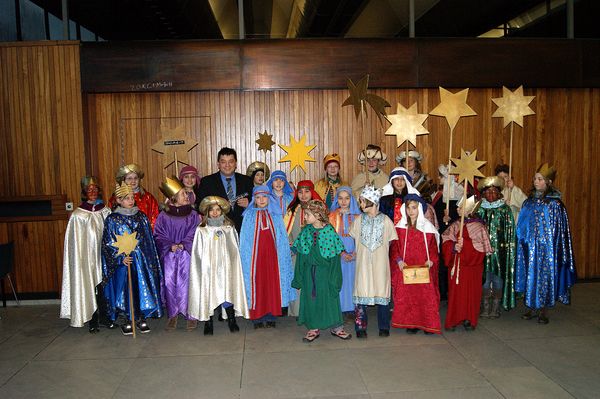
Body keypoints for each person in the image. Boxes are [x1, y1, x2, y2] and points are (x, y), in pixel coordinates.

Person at [515, 163, 576, 324]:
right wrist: (523, 241)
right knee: (531, 275)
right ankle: (531, 306)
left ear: (548, 182)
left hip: (548, 250)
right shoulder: (528, 202)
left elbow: (559, 231)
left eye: (540, 179)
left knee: (544, 277)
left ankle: (543, 309)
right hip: (530, 248)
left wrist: (552, 246)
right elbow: (522, 226)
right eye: (535, 178)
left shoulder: (555, 205)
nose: (536, 181)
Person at [102, 182, 163, 335]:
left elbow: (148, 239)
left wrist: (147, 258)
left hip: (140, 261)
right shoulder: (112, 219)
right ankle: (127, 318)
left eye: (132, 197)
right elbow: (108, 242)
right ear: (119, 200)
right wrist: (119, 258)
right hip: (123, 262)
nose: (131, 200)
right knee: (125, 288)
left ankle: (140, 317)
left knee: (139, 287)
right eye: (126, 198)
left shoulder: (141, 216)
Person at [292, 200, 352, 342]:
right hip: (309, 274)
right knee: (311, 300)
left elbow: (335, 258)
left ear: (318, 215)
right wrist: (299, 276)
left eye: (307, 214)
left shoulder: (329, 231)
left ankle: (336, 327)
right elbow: (301, 255)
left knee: (330, 299)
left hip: (325, 274)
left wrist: (335, 278)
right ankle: (313, 327)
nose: (304, 217)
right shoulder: (305, 231)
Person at [188, 196, 248, 334]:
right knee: (209, 292)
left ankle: (231, 319)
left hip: (226, 268)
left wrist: (232, 264)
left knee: (227, 290)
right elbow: (197, 252)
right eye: (211, 210)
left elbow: (234, 250)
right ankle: (208, 322)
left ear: (222, 212)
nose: (215, 213)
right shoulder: (202, 230)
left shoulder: (228, 228)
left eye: (218, 210)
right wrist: (203, 266)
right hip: (208, 269)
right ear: (207, 212)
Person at [60, 176, 112, 332]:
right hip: (86, 259)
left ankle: (105, 316)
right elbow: (74, 243)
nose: (93, 192)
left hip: (103, 257)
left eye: (95, 189)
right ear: (84, 192)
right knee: (91, 287)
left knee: (104, 288)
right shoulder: (78, 215)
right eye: (89, 190)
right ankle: (93, 319)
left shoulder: (106, 211)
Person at [240, 186, 295, 329]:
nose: (261, 200)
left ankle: (271, 315)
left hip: (272, 258)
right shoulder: (249, 215)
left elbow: (282, 236)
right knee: (257, 285)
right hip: (255, 259)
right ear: (254, 200)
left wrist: (282, 253)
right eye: (258, 197)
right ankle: (257, 317)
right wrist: (246, 257)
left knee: (272, 284)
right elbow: (245, 239)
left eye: (264, 197)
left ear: (269, 198)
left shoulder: (275, 214)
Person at [350, 185, 398, 338]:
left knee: (382, 291)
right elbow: (352, 236)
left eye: (364, 201)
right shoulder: (358, 221)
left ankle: (384, 326)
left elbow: (391, 242)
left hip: (380, 264)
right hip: (362, 264)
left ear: (373, 201)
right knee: (361, 290)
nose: (361, 205)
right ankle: (360, 327)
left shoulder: (386, 221)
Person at [390, 195, 441, 334]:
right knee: (409, 297)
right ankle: (411, 323)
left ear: (419, 208)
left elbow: (433, 249)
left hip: (423, 268)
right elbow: (395, 247)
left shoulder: (428, 228)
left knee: (425, 296)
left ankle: (428, 323)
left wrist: (431, 260)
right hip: (406, 268)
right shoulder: (400, 227)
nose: (411, 211)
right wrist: (399, 260)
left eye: (414, 207)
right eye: (408, 208)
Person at [154, 176, 200, 331]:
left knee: (188, 282)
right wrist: (169, 245)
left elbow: (196, 232)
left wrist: (185, 244)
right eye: (183, 194)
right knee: (169, 283)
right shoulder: (164, 215)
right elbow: (158, 234)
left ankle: (191, 314)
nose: (187, 196)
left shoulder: (193, 214)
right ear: (173, 198)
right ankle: (173, 314)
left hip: (187, 253)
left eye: (187, 194)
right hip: (170, 254)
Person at [442, 196, 492, 331]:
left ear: (469, 210)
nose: (457, 209)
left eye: (460, 207)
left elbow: (482, 250)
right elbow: (445, 239)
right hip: (456, 266)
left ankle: (469, 318)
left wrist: (467, 245)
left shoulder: (479, 227)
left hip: (471, 269)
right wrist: (453, 246)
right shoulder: (456, 224)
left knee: (470, 294)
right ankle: (454, 318)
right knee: (456, 294)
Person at [476, 176, 517, 317]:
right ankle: (485, 306)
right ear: (483, 194)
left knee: (498, 279)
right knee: (485, 279)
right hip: (483, 251)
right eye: (487, 192)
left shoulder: (504, 210)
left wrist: (509, 249)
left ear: (499, 193)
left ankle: (496, 306)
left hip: (500, 251)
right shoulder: (480, 209)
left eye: (493, 191)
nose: (490, 195)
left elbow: (510, 232)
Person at [284, 180, 322, 316]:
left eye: (307, 191)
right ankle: (298, 311)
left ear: (312, 192)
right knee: (299, 281)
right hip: (297, 254)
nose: (304, 195)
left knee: (314, 282)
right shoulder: (292, 211)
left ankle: (315, 312)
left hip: (315, 254)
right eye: (300, 192)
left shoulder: (319, 210)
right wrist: (292, 247)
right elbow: (286, 232)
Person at [196, 147, 254, 233]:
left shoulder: (247, 181)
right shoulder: (207, 182)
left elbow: (258, 204)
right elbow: (199, 206)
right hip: (217, 231)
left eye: (231, 161)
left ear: (236, 164)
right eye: (223, 162)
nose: (227, 165)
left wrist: (249, 204)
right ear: (218, 164)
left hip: (244, 229)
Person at [329, 186, 361, 315]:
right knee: (340, 280)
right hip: (338, 254)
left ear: (351, 199)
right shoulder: (331, 216)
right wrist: (342, 253)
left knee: (354, 281)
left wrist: (355, 253)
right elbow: (330, 238)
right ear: (337, 200)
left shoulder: (358, 217)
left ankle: (354, 309)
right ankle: (340, 309)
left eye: (347, 198)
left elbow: (362, 237)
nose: (343, 201)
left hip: (355, 254)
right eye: (340, 198)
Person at [108, 163, 160, 230]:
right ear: (123, 180)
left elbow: (155, 219)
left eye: (136, 178)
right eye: (129, 178)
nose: (133, 181)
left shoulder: (148, 198)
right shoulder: (114, 199)